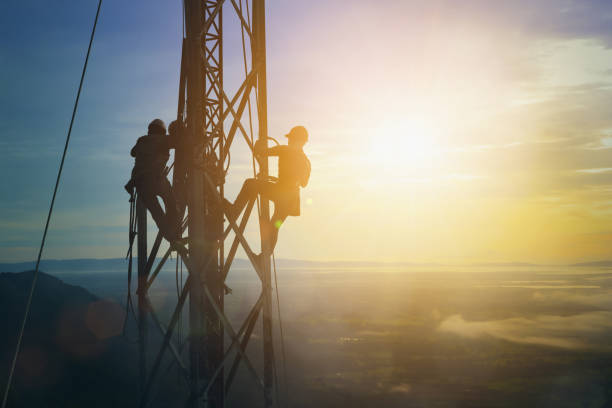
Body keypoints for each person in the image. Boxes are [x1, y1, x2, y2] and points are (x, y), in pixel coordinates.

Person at [226, 125, 311, 257]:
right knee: (274, 226)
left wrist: (259, 144)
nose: (289, 141)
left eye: (291, 139)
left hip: (281, 193)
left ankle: (233, 211)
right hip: (291, 200)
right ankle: (264, 257)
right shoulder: (306, 161)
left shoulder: (284, 150)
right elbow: (304, 183)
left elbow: (260, 152)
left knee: (250, 184)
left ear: (296, 140)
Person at [125, 119, 180, 242]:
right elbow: (179, 142)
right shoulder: (163, 139)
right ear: (162, 131)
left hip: (140, 184)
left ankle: (172, 239)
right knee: (171, 204)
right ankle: (175, 232)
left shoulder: (142, 140)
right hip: (156, 180)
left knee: (157, 215)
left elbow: (132, 153)